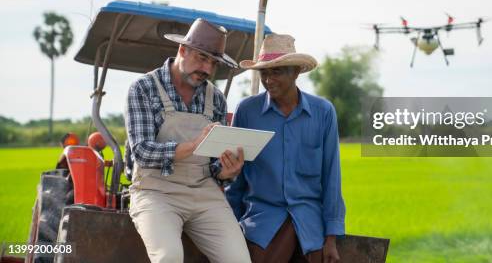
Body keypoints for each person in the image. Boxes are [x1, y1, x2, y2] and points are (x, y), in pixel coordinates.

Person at [125, 18, 251, 263]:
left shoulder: (215, 98)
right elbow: (141, 152)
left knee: (239, 260)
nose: (207, 69)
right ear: (182, 50)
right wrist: (194, 146)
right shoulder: (143, 88)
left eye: (213, 63)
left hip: (204, 193)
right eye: (202, 58)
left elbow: (214, 165)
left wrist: (226, 170)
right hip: (156, 192)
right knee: (169, 257)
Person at [226, 34, 345, 263]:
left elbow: (332, 178)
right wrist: (229, 229)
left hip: (309, 228)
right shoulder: (247, 111)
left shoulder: (323, 113)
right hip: (261, 224)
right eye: (264, 73)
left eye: (277, 71)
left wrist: (331, 238)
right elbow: (236, 181)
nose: (269, 80)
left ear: (296, 71)